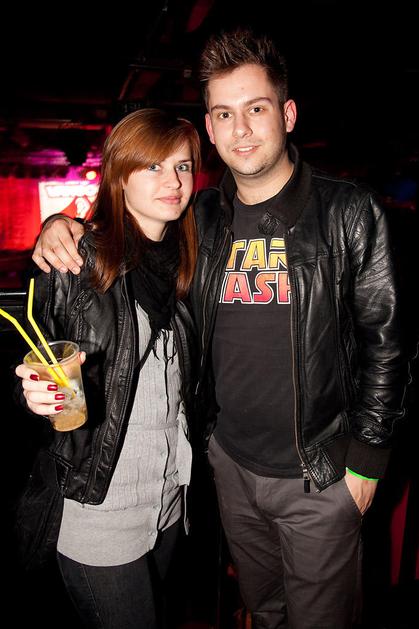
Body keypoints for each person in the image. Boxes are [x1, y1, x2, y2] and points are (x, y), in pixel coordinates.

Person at [30, 28, 409, 629]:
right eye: (225, 114)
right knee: (261, 611)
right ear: (209, 128)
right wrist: (59, 223)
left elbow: (386, 344)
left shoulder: (347, 212)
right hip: (227, 467)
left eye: (256, 109)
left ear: (287, 114)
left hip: (319, 474)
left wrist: (366, 463)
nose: (241, 130)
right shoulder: (201, 219)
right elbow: (128, 237)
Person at [15, 108, 200, 629]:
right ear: (119, 176)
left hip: (169, 499)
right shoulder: (78, 259)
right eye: (153, 166)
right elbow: (35, 365)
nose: (173, 181)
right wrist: (32, 396)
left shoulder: (191, 260)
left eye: (183, 166)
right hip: (100, 502)